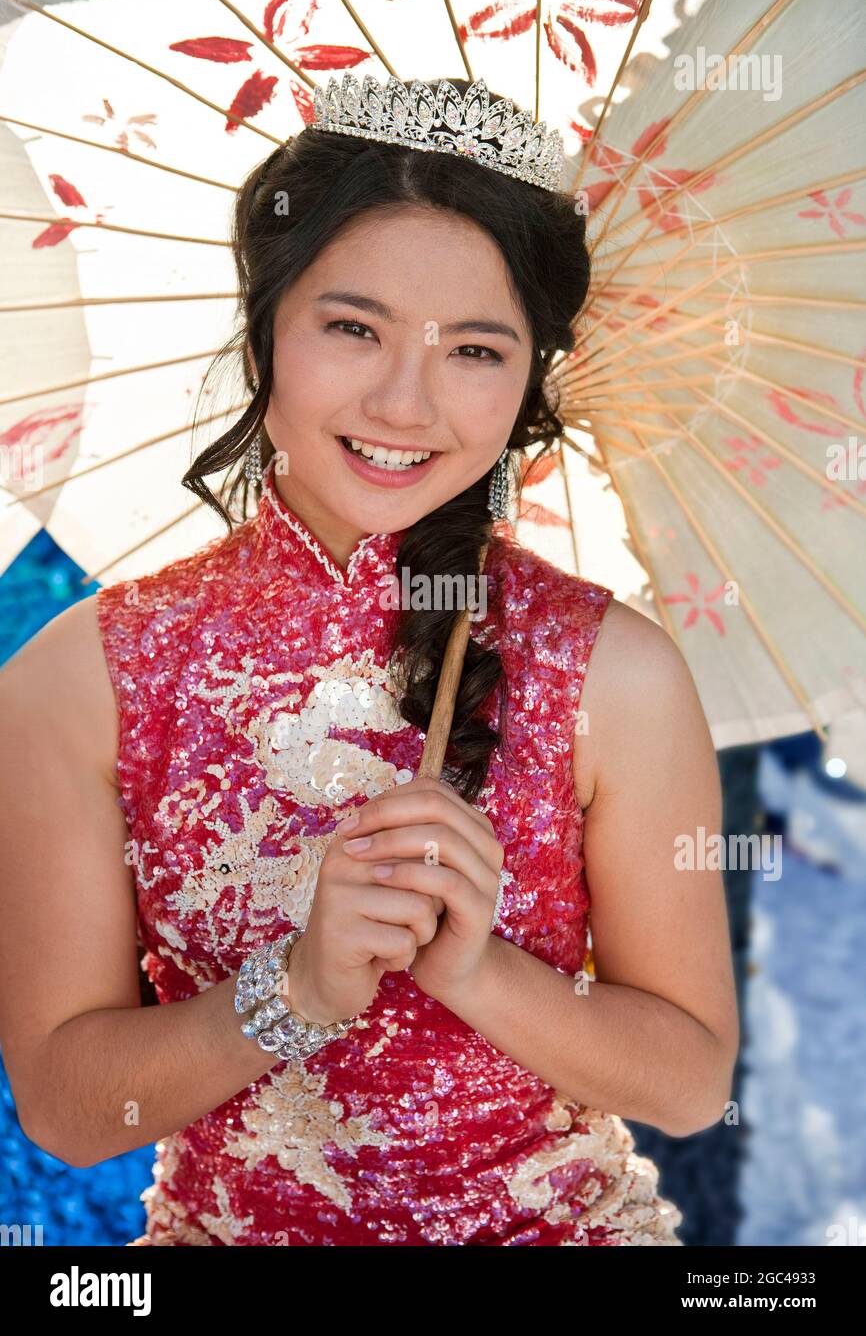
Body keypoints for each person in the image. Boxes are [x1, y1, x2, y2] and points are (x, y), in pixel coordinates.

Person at [0, 74, 738, 1246]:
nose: (404, 401)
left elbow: (690, 1083)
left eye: (475, 350)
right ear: (264, 329)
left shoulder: (615, 672)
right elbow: (70, 1109)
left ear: (529, 375)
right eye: (353, 327)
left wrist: (477, 970)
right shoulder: (75, 680)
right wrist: (293, 989)